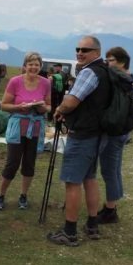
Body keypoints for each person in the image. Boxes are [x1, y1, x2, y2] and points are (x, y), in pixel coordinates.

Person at [47, 35, 111, 247]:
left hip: (83, 134)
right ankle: (92, 225)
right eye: (78, 49)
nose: (80, 53)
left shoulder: (89, 72)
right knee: (90, 179)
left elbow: (72, 101)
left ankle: (70, 232)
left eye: (85, 50)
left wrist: (59, 109)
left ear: (97, 52)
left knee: (72, 182)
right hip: (99, 134)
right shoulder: (106, 71)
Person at [0, 52, 51, 210]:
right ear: (25, 66)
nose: (33, 67)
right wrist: (19, 107)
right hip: (17, 126)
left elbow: (49, 106)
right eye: (30, 64)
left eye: (36, 64)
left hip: (35, 128)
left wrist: (41, 108)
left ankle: (23, 195)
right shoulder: (15, 81)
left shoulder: (46, 83)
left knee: (29, 164)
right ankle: (1, 195)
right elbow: (4, 105)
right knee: (12, 163)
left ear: (40, 67)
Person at [97, 47, 133, 224]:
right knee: (115, 169)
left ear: (121, 62)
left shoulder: (117, 77)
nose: (107, 64)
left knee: (109, 170)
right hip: (123, 131)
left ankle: (110, 210)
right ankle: (112, 205)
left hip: (114, 131)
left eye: (110, 60)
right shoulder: (129, 78)